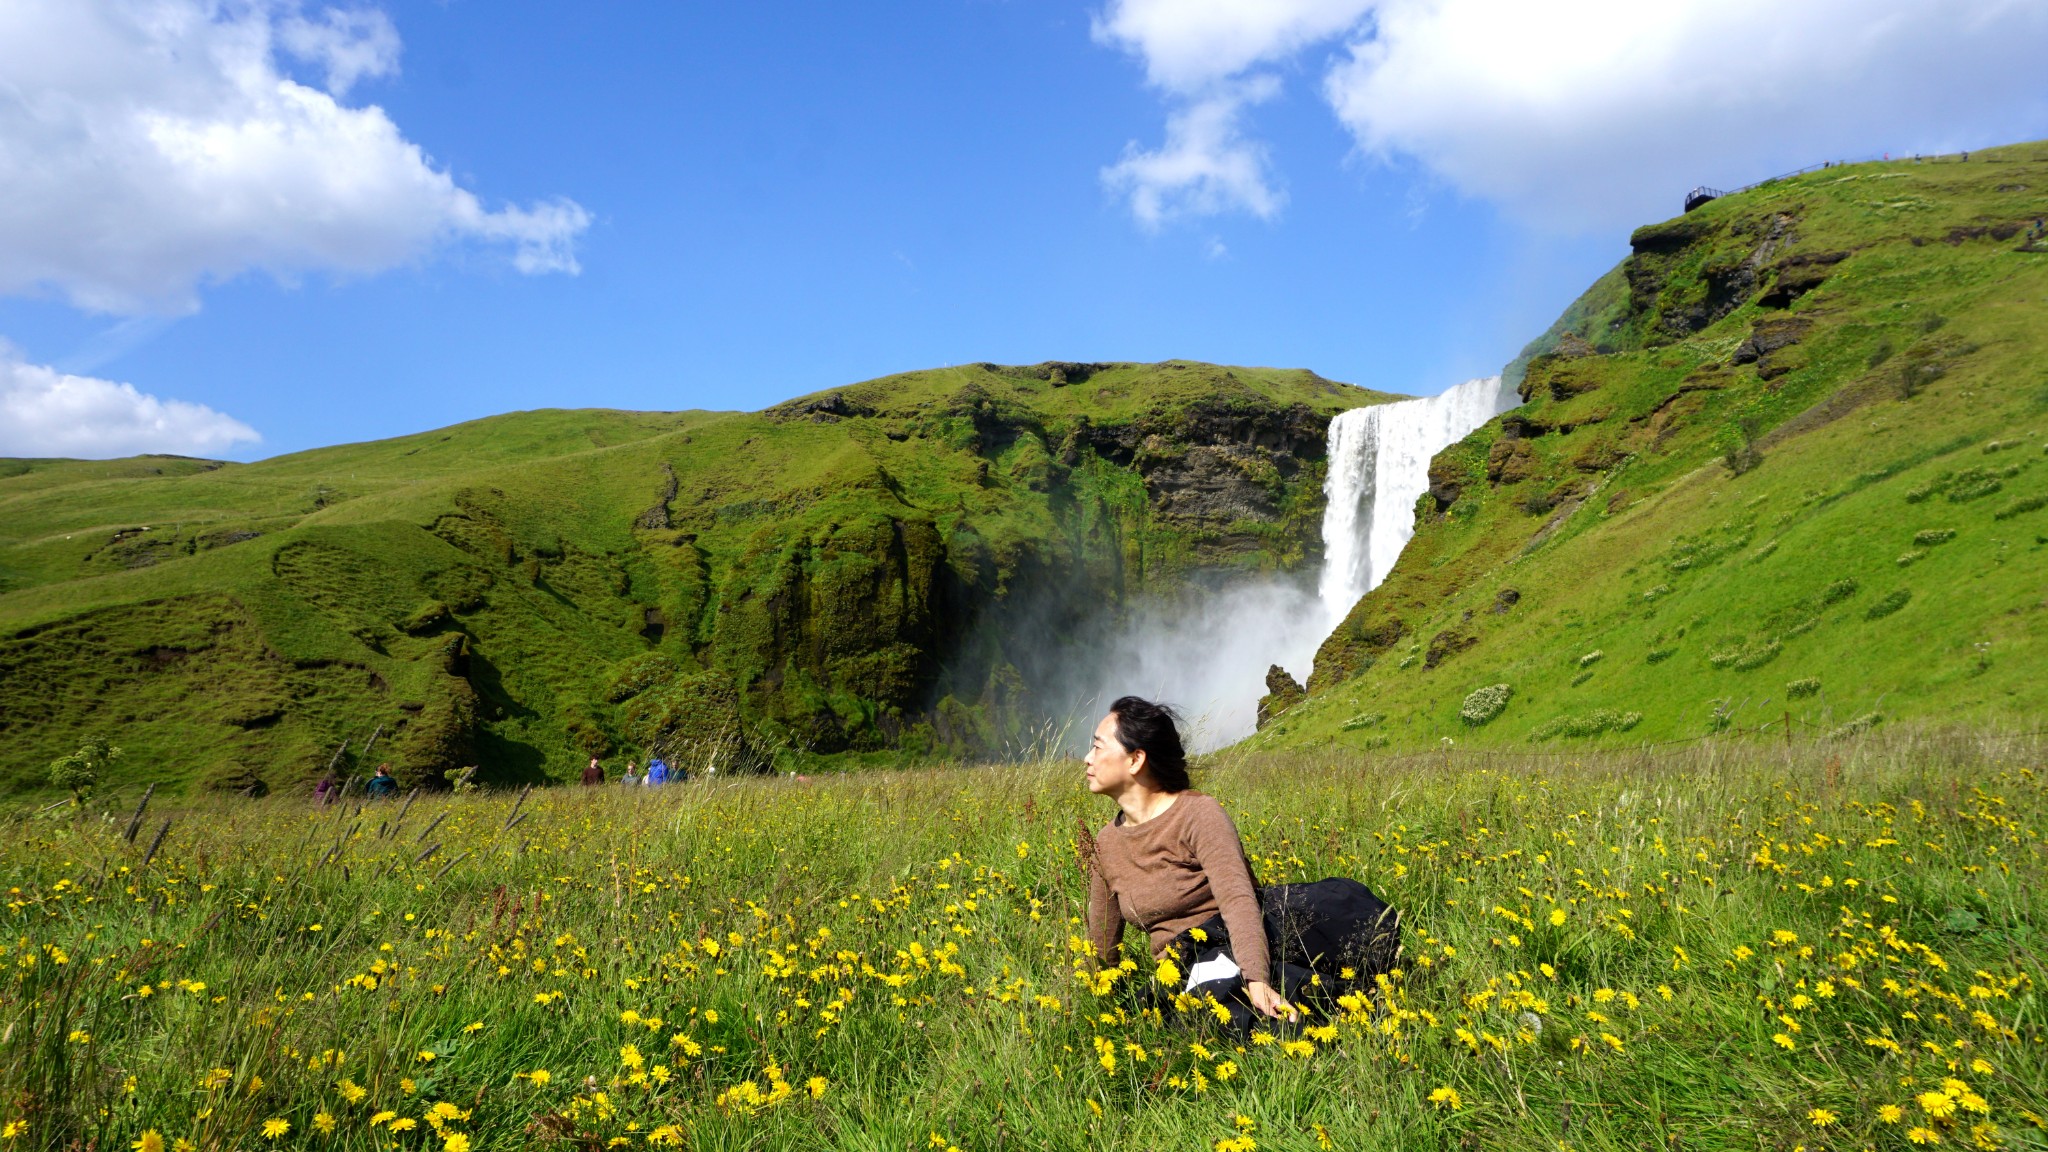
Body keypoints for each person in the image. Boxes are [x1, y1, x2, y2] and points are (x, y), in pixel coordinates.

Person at [1083, 696, 1401, 1034]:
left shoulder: (1197, 814)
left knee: (1240, 1014)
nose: (1087, 758)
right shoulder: (1106, 843)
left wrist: (1256, 979)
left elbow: (1238, 900)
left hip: (1232, 945)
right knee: (1172, 1015)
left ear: (1135, 760)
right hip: (1182, 970)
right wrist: (1099, 1007)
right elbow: (1101, 943)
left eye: (1098, 747)